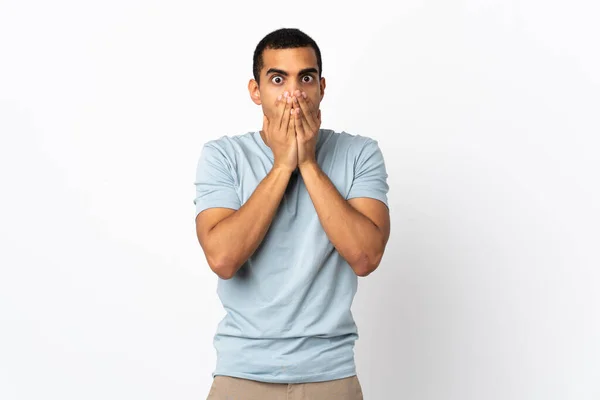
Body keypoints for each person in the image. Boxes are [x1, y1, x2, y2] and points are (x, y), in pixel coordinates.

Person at [194, 27, 390, 400]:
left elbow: (366, 257)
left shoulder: (359, 153)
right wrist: (283, 166)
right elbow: (222, 258)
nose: (294, 93)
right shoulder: (223, 157)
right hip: (243, 375)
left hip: (330, 375)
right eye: (278, 78)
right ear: (256, 91)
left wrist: (309, 164)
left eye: (306, 78)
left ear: (322, 87)